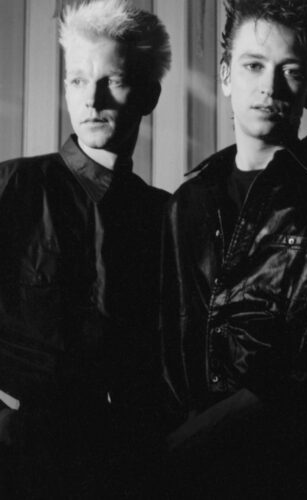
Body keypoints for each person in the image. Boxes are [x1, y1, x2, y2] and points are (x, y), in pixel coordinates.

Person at [159, 0, 307, 498]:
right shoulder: (189, 201)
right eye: (253, 66)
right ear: (226, 75)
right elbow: (169, 347)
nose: (270, 86)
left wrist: (198, 436)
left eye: (291, 71)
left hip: (297, 466)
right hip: (194, 471)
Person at [0, 0, 170, 497]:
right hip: (18, 466)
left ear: (149, 94)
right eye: (77, 80)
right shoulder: (12, 187)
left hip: (126, 469)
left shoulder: (167, 217)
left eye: (111, 80)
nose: (91, 100)